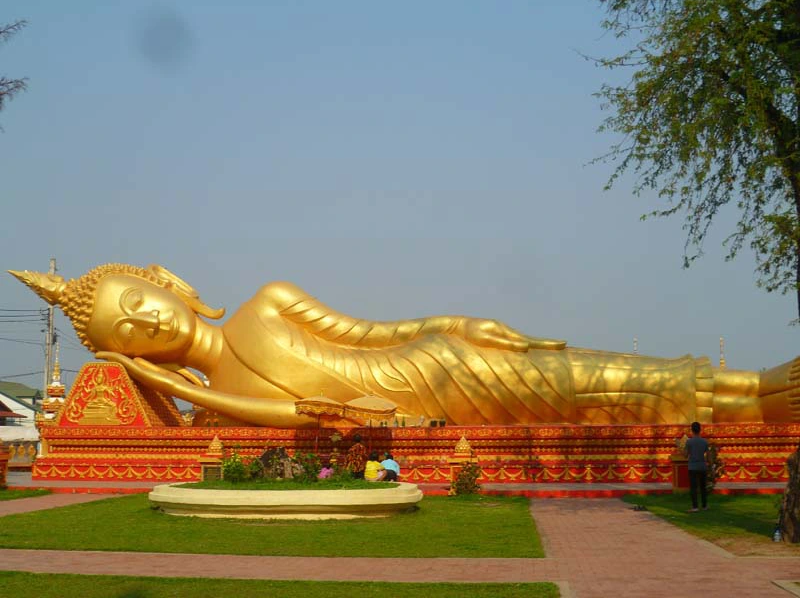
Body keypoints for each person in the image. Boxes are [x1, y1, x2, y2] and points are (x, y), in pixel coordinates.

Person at [9, 263, 800, 428]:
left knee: (594, 370)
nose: (148, 322)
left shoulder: (267, 300)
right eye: (129, 331)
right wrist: (157, 380)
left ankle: (756, 389)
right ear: (132, 352)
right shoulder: (236, 404)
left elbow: (373, 335)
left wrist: (458, 323)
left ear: (167, 280)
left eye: (141, 302)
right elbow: (308, 420)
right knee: (594, 403)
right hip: (413, 409)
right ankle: (756, 404)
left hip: (436, 360)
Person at [685, 421, 709, 512]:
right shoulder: (704, 441)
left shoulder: (689, 442)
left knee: (694, 487)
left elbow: (685, 455)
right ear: (700, 430)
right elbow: (709, 455)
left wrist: (681, 448)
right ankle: (704, 505)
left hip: (693, 466)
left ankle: (695, 507)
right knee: (703, 487)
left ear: (692, 430)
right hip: (702, 466)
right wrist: (710, 465)